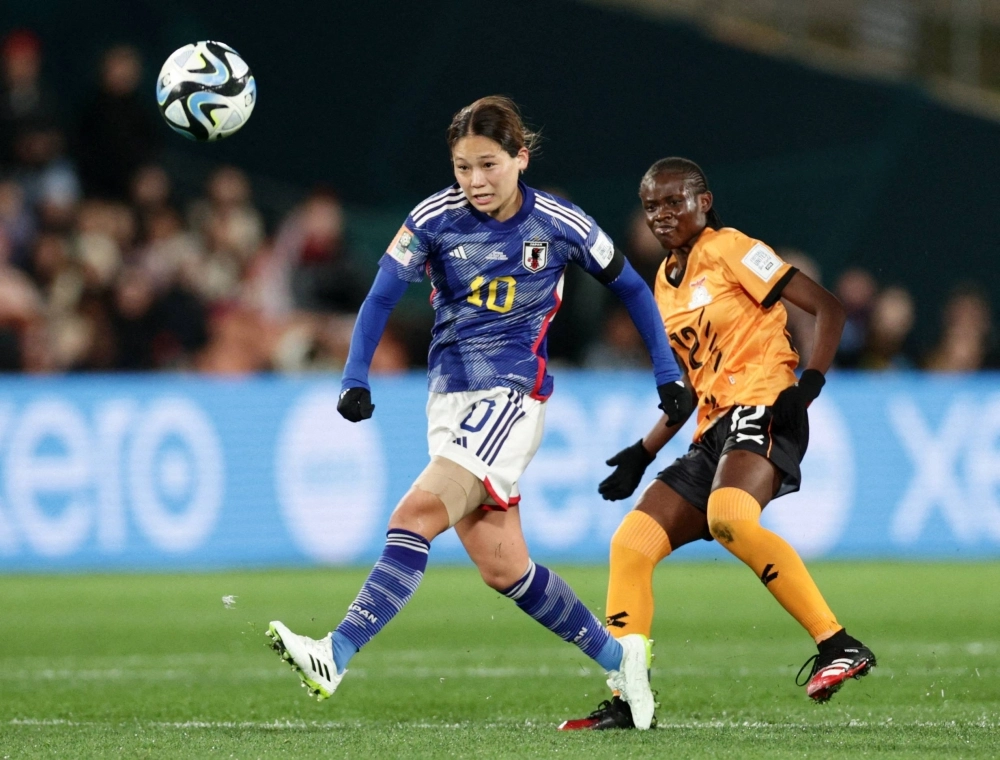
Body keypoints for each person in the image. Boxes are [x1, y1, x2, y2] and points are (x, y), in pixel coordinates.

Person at [266, 96, 694, 730]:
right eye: (463, 167)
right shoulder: (433, 218)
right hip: (450, 400)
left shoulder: (560, 222)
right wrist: (354, 374)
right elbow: (382, 296)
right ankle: (621, 659)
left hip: (511, 399)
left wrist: (666, 371)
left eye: (488, 165)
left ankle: (336, 651)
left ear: (520, 158)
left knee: (414, 515)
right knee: (505, 569)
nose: (474, 182)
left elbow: (631, 284)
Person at [560, 158, 876, 731]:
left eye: (674, 202)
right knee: (631, 544)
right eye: (651, 205)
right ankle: (631, 696)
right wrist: (643, 450)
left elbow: (827, 306)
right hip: (713, 428)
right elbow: (685, 385)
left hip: (764, 404)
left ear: (704, 201)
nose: (661, 215)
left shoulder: (731, 247)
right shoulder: (663, 283)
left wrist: (809, 384)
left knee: (729, 516)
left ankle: (838, 644)